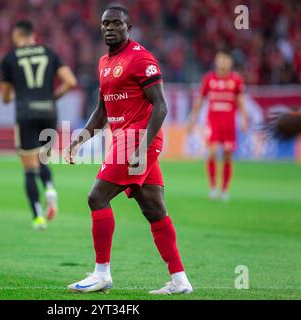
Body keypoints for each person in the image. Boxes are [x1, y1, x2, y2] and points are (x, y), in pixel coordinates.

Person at [63, 6, 193, 295]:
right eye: (104, 23)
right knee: (154, 209)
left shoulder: (141, 58)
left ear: (128, 27)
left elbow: (161, 106)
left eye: (116, 23)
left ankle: (101, 274)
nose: (109, 28)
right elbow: (102, 111)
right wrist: (78, 141)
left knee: (96, 197)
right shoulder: (104, 63)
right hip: (123, 138)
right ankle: (180, 280)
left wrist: (142, 148)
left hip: (137, 139)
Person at [0, 20, 77, 230]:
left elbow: (5, 97)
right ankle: (50, 188)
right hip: (48, 111)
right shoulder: (49, 52)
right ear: (34, 35)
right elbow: (70, 81)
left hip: (25, 113)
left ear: (17, 36)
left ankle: (38, 217)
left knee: (29, 170)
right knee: (43, 158)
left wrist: (17, 93)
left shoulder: (9, 58)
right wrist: (52, 97)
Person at [187, 50, 247, 201]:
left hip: (229, 124)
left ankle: (225, 189)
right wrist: (192, 118)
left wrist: (245, 119)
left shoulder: (236, 80)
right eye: (219, 59)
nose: (222, 62)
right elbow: (200, 100)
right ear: (216, 61)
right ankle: (213, 188)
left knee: (227, 155)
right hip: (213, 123)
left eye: (225, 59)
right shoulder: (209, 79)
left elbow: (241, 101)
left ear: (230, 62)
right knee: (212, 152)